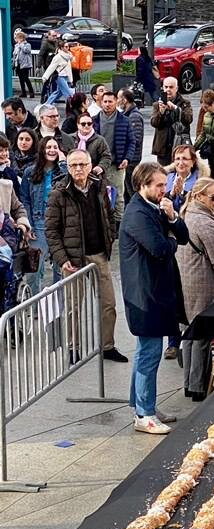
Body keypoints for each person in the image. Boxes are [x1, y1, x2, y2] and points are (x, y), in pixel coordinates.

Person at [119, 161, 188, 434]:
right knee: (149, 353)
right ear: (142, 186)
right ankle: (143, 414)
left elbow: (183, 236)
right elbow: (161, 248)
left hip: (156, 291)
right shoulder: (137, 214)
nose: (164, 189)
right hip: (144, 296)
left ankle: (141, 403)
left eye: (164, 184)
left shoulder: (156, 207)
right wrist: (170, 239)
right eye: (159, 185)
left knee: (144, 352)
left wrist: (172, 218)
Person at [45, 149, 128, 362]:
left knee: (108, 304)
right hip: (72, 259)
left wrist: (110, 238)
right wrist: (62, 259)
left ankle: (107, 346)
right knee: (73, 307)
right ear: (68, 168)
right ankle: (73, 348)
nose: (78, 169)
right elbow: (51, 230)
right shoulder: (59, 193)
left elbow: (109, 214)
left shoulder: (99, 186)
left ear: (90, 166)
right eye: (73, 165)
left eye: (82, 164)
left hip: (99, 254)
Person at [177, 177, 214, 401]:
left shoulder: (187, 214)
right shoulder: (204, 222)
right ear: (199, 196)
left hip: (189, 281)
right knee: (202, 336)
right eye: (213, 197)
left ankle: (190, 385)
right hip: (204, 285)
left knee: (191, 334)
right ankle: (200, 387)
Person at [21, 137, 66, 294]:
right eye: (48, 147)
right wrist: (29, 225)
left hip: (60, 224)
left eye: (55, 147)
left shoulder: (63, 171)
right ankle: (34, 308)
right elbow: (24, 200)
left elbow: (70, 188)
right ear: (42, 149)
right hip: (38, 223)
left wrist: (63, 163)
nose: (52, 150)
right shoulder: (29, 172)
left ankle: (56, 308)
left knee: (60, 270)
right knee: (33, 269)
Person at [92, 91, 134, 224]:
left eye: (110, 101)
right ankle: (102, 223)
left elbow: (132, 141)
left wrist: (127, 158)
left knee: (118, 196)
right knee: (97, 195)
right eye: (105, 101)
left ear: (116, 102)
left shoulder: (125, 121)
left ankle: (118, 224)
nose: (107, 104)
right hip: (98, 165)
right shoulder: (94, 121)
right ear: (100, 102)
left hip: (117, 165)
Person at [150, 77, 194, 167]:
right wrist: (161, 113)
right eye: (166, 87)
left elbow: (188, 119)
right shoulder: (157, 105)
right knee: (164, 176)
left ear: (176, 88)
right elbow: (154, 123)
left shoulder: (185, 103)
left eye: (171, 87)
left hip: (180, 146)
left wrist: (176, 109)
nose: (168, 90)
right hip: (163, 149)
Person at [118, 89, 145, 204]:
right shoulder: (127, 115)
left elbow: (136, 139)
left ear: (124, 100)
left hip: (132, 159)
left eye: (119, 98)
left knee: (131, 189)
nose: (117, 100)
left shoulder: (134, 116)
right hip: (128, 159)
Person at [164, 144, 208, 212]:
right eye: (177, 159)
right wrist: (171, 194)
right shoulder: (166, 178)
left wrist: (182, 194)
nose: (181, 163)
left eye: (185, 159)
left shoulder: (200, 182)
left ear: (193, 162)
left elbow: (199, 208)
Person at [70, 114, 112, 184]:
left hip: (93, 177)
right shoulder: (70, 138)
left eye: (89, 124)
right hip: (72, 176)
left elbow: (106, 157)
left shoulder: (100, 140)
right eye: (83, 124)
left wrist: (100, 167)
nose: (86, 126)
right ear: (78, 125)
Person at [42, 40, 74, 105]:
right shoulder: (58, 57)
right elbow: (51, 67)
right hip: (59, 76)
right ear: (61, 48)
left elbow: (69, 70)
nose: (68, 48)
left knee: (58, 93)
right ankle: (72, 107)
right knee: (68, 93)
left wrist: (71, 79)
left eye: (68, 46)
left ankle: (47, 105)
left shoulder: (68, 56)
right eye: (66, 47)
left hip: (65, 76)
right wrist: (45, 77)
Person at [13, 32, 34, 99]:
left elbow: (27, 51)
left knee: (26, 78)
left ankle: (31, 92)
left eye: (18, 38)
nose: (17, 39)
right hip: (18, 64)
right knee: (21, 79)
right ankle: (23, 92)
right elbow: (15, 54)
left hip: (25, 64)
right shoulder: (16, 45)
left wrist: (21, 45)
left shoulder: (27, 44)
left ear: (22, 38)